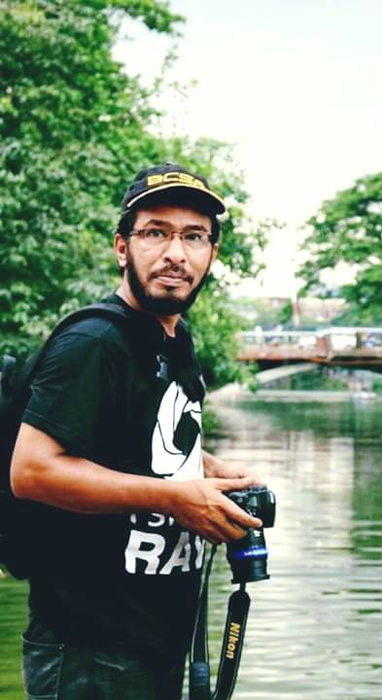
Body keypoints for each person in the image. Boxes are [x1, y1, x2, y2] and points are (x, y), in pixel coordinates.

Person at [10, 163, 264, 699]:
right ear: (122, 248)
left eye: (194, 236)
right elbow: (32, 471)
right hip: (89, 648)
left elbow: (139, 437)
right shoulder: (95, 342)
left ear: (212, 255)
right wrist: (175, 497)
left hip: (158, 637)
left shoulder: (174, 342)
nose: (176, 252)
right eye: (156, 233)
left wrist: (208, 469)